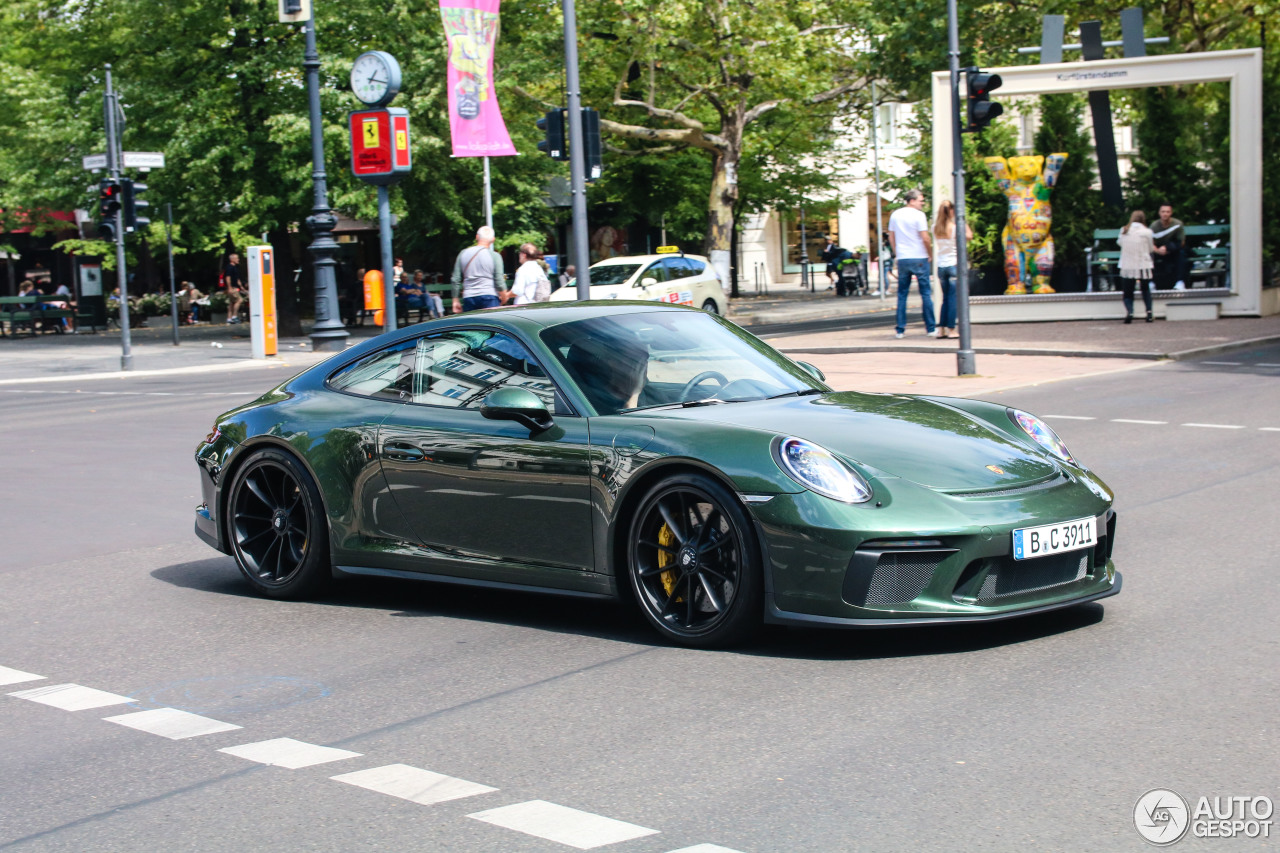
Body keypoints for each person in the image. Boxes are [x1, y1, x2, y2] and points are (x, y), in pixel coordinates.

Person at [887, 189, 936, 339]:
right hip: (919, 257)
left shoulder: (895, 214)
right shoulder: (919, 215)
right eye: (920, 200)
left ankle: (900, 329)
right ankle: (931, 327)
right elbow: (925, 238)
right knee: (926, 293)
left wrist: (897, 253)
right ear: (912, 200)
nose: (922, 203)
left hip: (903, 258)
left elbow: (891, 236)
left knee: (902, 295)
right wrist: (930, 254)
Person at [932, 200, 973, 339]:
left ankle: (941, 329)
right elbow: (969, 236)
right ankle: (951, 329)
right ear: (951, 211)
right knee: (953, 298)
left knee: (945, 299)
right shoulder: (955, 228)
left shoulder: (934, 228)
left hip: (941, 266)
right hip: (953, 265)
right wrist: (962, 220)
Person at [450, 226, 505, 313]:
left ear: (477, 237)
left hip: (469, 297)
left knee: (472, 325)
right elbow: (499, 281)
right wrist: (504, 296)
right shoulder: (495, 256)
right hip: (489, 296)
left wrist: (455, 300)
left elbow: (455, 279)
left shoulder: (463, 253)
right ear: (493, 240)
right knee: (491, 325)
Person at [1117, 210, 1156, 324]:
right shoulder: (1147, 232)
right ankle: (1149, 312)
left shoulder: (1124, 230)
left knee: (1128, 292)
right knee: (1145, 289)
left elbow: (1120, 243)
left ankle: (1130, 311)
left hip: (1127, 265)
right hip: (1143, 265)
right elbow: (1150, 248)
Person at [1151, 203, 1185, 291]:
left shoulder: (1178, 224)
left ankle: (1180, 282)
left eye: (1167, 212)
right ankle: (1150, 282)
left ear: (1171, 213)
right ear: (1159, 213)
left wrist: (1168, 249)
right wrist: (1158, 251)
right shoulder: (1154, 226)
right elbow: (1150, 243)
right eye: (1163, 211)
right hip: (1158, 251)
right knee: (1148, 255)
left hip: (1172, 250)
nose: (1165, 214)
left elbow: (1181, 242)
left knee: (1182, 253)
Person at [222, 252, 245, 323]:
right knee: (239, 300)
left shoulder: (235, 267)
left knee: (232, 302)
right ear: (232, 259)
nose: (238, 259)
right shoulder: (230, 267)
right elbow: (227, 277)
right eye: (237, 258)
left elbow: (237, 278)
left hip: (234, 287)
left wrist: (241, 287)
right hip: (232, 288)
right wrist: (229, 287)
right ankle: (234, 316)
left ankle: (229, 318)